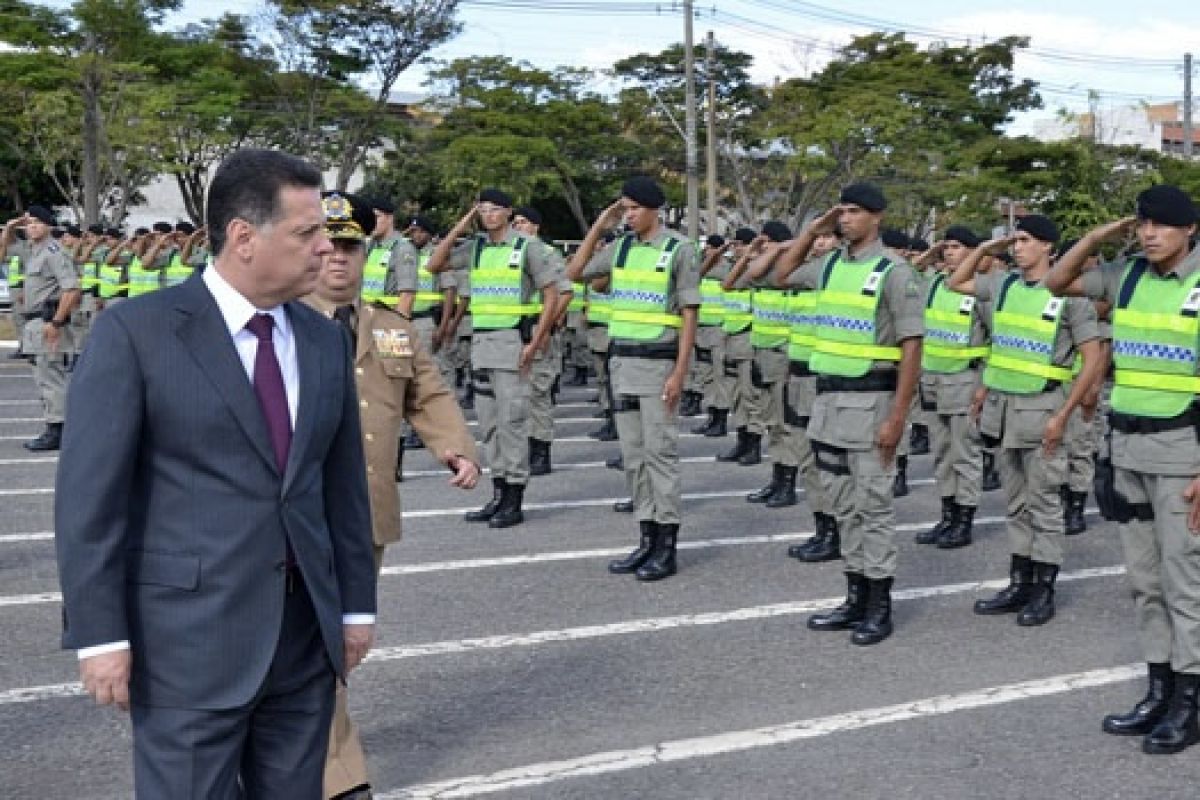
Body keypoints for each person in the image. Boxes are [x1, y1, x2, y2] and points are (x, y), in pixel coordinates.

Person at [54, 148, 378, 798]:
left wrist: (355, 607)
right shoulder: (137, 334)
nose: (327, 249)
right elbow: (90, 501)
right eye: (307, 232)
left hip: (303, 641)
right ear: (243, 238)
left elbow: (341, 487)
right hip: (186, 646)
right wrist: (99, 634)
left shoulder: (321, 340)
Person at [303, 192, 479, 799]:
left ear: (365, 252)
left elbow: (426, 395)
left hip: (367, 512)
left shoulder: (391, 328)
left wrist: (453, 447)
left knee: (339, 643)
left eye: (349, 247)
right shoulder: (277, 321)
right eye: (326, 247)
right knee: (314, 640)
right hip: (295, 514)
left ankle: (305, 751)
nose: (337, 260)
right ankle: (339, 772)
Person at [1044, 185, 1200, 754]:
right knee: (1144, 582)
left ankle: (1190, 702)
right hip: (1128, 447)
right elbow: (1056, 283)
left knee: (1186, 585)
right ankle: (1159, 690)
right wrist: (1093, 238)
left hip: (1185, 451)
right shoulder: (1127, 275)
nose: (1149, 233)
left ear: (1190, 231)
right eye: (1142, 224)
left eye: (1162, 225)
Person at [779, 182, 924, 645]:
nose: (845, 219)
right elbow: (782, 272)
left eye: (855, 212)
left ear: (877, 217)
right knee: (843, 505)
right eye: (841, 212)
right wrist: (813, 229)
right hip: (828, 403)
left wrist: (898, 417)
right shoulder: (828, 266)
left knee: (873, 507)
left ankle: (879, 605)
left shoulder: (894, 273)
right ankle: (854, 595)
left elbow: (912, 346)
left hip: (872, 403)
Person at [947, 213, 1102, 628]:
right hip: (1003, 410)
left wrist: (1067, 414)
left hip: (1044, 410)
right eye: (1014, 241)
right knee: (1015, 504)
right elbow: (955, 283)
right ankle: (1020, 582)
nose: (1017, 247)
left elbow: (1093, 358)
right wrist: (982, 249)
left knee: (1045, 504)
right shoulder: (1002, 285)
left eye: (1027, 240)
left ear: (1049, 247)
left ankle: (1043, 590)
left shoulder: (1071, 296)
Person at [568, 176, 700, 581]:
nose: (628, 215)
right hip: (622, 364)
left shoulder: (680, 248)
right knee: (634, 459)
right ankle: (645, 539)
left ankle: (666, 546)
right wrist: (599, 227)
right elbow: (575, 272)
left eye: (633, 209)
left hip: (659, 364)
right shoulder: (620, 246)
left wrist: (681, 372)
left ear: (653, 209)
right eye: (623, 209)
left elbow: (689, 313)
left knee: (660, 456)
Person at [428, 188, 561, 528]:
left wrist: (537, 341)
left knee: (511, 422)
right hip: (483, 344)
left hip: (512, 341)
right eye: (482, 210)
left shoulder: (526, 246)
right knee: (488, 424)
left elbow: (552, 294)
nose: (488, 215)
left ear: (507, 212)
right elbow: (434, 263)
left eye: (494, 209)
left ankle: (514, 498)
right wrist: (462, 224)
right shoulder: (475, 248)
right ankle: (498, 492)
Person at [912, 226, 988, 549]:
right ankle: (948, 516)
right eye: (946, 248)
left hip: (965, 380)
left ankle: (964, 521)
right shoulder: (933, 286)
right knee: (942, 453)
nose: (948, 252)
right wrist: (932, 252)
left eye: (956, 247)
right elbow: (907, 271)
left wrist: (984, 386)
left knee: (965, 453)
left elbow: (997, 341)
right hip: (933, 381)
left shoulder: (979, 292)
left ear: (972, 253)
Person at [774, 225, 844, 561]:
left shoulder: (842, 277)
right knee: (806, 457)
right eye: (816, 237)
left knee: (828, 460)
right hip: (799, 377)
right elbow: (774, 273)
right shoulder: (806, 279)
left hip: (828, 380)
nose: (820, 243)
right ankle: (823, 528)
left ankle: (837, 529)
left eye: (827, 236)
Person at [3, 206, 81, 451]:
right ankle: (54, 426)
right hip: (34, 323)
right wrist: (11, 226)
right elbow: (2, 252)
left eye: (37, 222)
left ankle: (59, 430)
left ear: (49, 226)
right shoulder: (32, 250)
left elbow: (72, 289)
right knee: (42, 376)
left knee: (52, 378)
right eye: (30, 223)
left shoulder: (54, 252)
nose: (32, 226)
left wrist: (56, 322)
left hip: (48, 322)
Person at [513, 205, 573, 476]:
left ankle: (541, 451)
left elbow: (565, 293)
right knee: (519, 395)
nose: (518, 226)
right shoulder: (512, 252)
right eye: (515, 222)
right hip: (514, 332)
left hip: (538, 329)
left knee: (538, 393)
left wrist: (545, 328)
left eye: (524, 222)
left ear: (535, 227)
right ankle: (526, 446)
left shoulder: (547, 254)